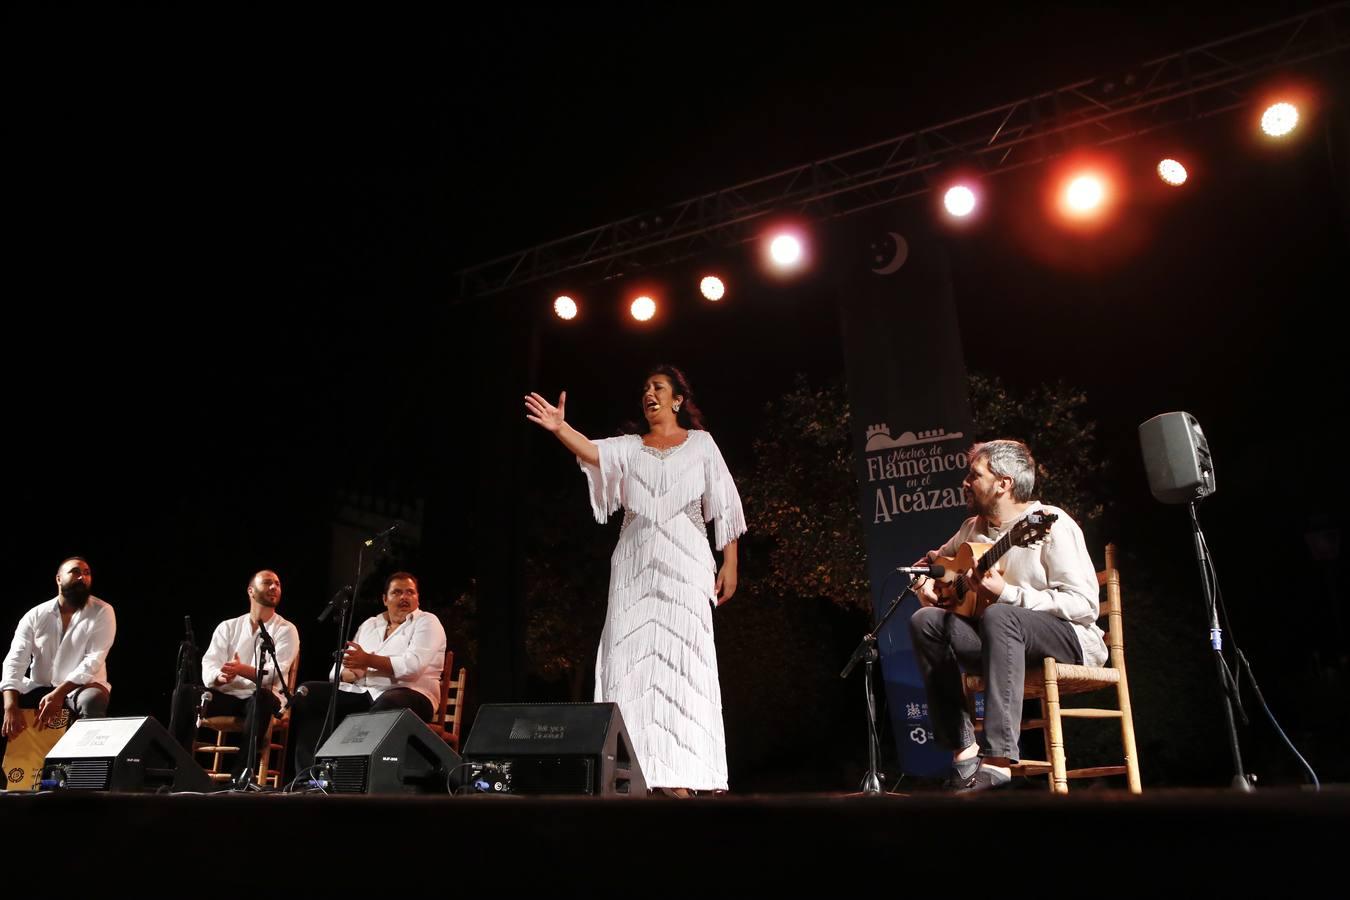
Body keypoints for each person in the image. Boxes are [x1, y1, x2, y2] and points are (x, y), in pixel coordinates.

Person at [525, 364, 746, 795]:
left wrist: (730, 562)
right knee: (632, 660)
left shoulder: (701, 445)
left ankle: (686, 773)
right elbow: (591, 452)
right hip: (635, 564)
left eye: (658, 388)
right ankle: (636, 773)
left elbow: (724, 502)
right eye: (645, 388)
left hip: (687, 563)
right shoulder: (629, 447)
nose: (649, 394)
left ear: (677, 399)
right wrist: (558, 426)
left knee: (685, 665)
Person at [908, 439, 1106, 791]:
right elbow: (933, 564)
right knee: (925, 621)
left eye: (975, 475)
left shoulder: (1051, 524)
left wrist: (1008, 594)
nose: (966, 482)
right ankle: (964, 750)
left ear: (1004, 483)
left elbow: (1085, 604)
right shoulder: (972, 529)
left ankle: (998, 759)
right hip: (1001, 643)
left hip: (1068, 637)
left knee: (1001, 614)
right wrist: (923, 582)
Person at [290, 572, 445, 774]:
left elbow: (412, 667)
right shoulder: (370, 625)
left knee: (387, 704)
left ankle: (353, 774)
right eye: (397, 592)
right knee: (310, 695)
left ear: (417, 597)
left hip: (414, 693)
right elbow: (338, 670)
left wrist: (368, 661)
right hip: (367, 693)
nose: (404, 597)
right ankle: (308, 776)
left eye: (410, 592)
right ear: (385, 599)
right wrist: (351, 673)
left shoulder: (427, 622)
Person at [197, 569, 299, 780]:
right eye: (268, 583)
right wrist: (221, 676)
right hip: (228, 695)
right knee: (186, 694)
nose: (274, 587)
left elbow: (275, 673)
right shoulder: (228, 626)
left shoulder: (286, 629)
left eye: (278, 584)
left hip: (260, 697)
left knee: (262, 698)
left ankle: (241, 775)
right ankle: (177, 769)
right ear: (251, 591)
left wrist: (241, 670)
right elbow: (209, 663)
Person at [2, 557, 116, 744]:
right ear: (58, 579)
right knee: (9, 701)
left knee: (93, 699)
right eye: (75, 572)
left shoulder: (102, 611)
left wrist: (59, 694)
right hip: (40, 686)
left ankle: (85, 764)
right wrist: (10, 705)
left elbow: (93, 660)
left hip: (81, 687)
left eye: (87, 573)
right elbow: (15, 659)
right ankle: (17, 769)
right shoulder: (35, 615)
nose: (82, 577)